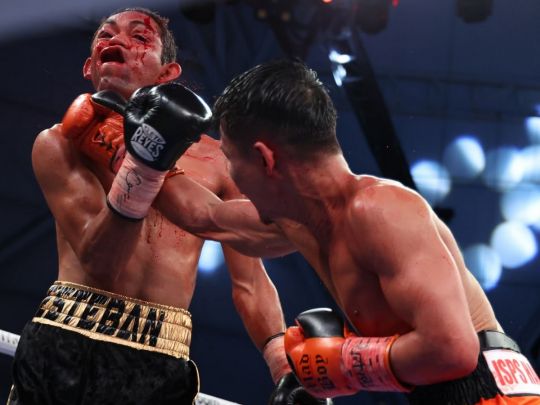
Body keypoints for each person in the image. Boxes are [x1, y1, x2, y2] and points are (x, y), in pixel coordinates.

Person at [9, 10, 326, 405]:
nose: (117, 40)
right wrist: (143, 163)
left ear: (167, 73)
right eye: (105, 35)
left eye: (140, 37)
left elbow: (250, 279)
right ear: (90, 67)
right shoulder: (60, 142)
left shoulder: (216, 161)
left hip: (162, 353)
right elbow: (101, 262)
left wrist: (282, 364)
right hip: (69, 337)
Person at [190, 59, 539, 404]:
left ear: (265, 158)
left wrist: (345, 361)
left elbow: (454, 350)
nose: (230, 177)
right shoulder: (305, 225)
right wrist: (157, 155)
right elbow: (204, 216)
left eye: (230, 159)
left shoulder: (380, 210)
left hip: (490, 394)